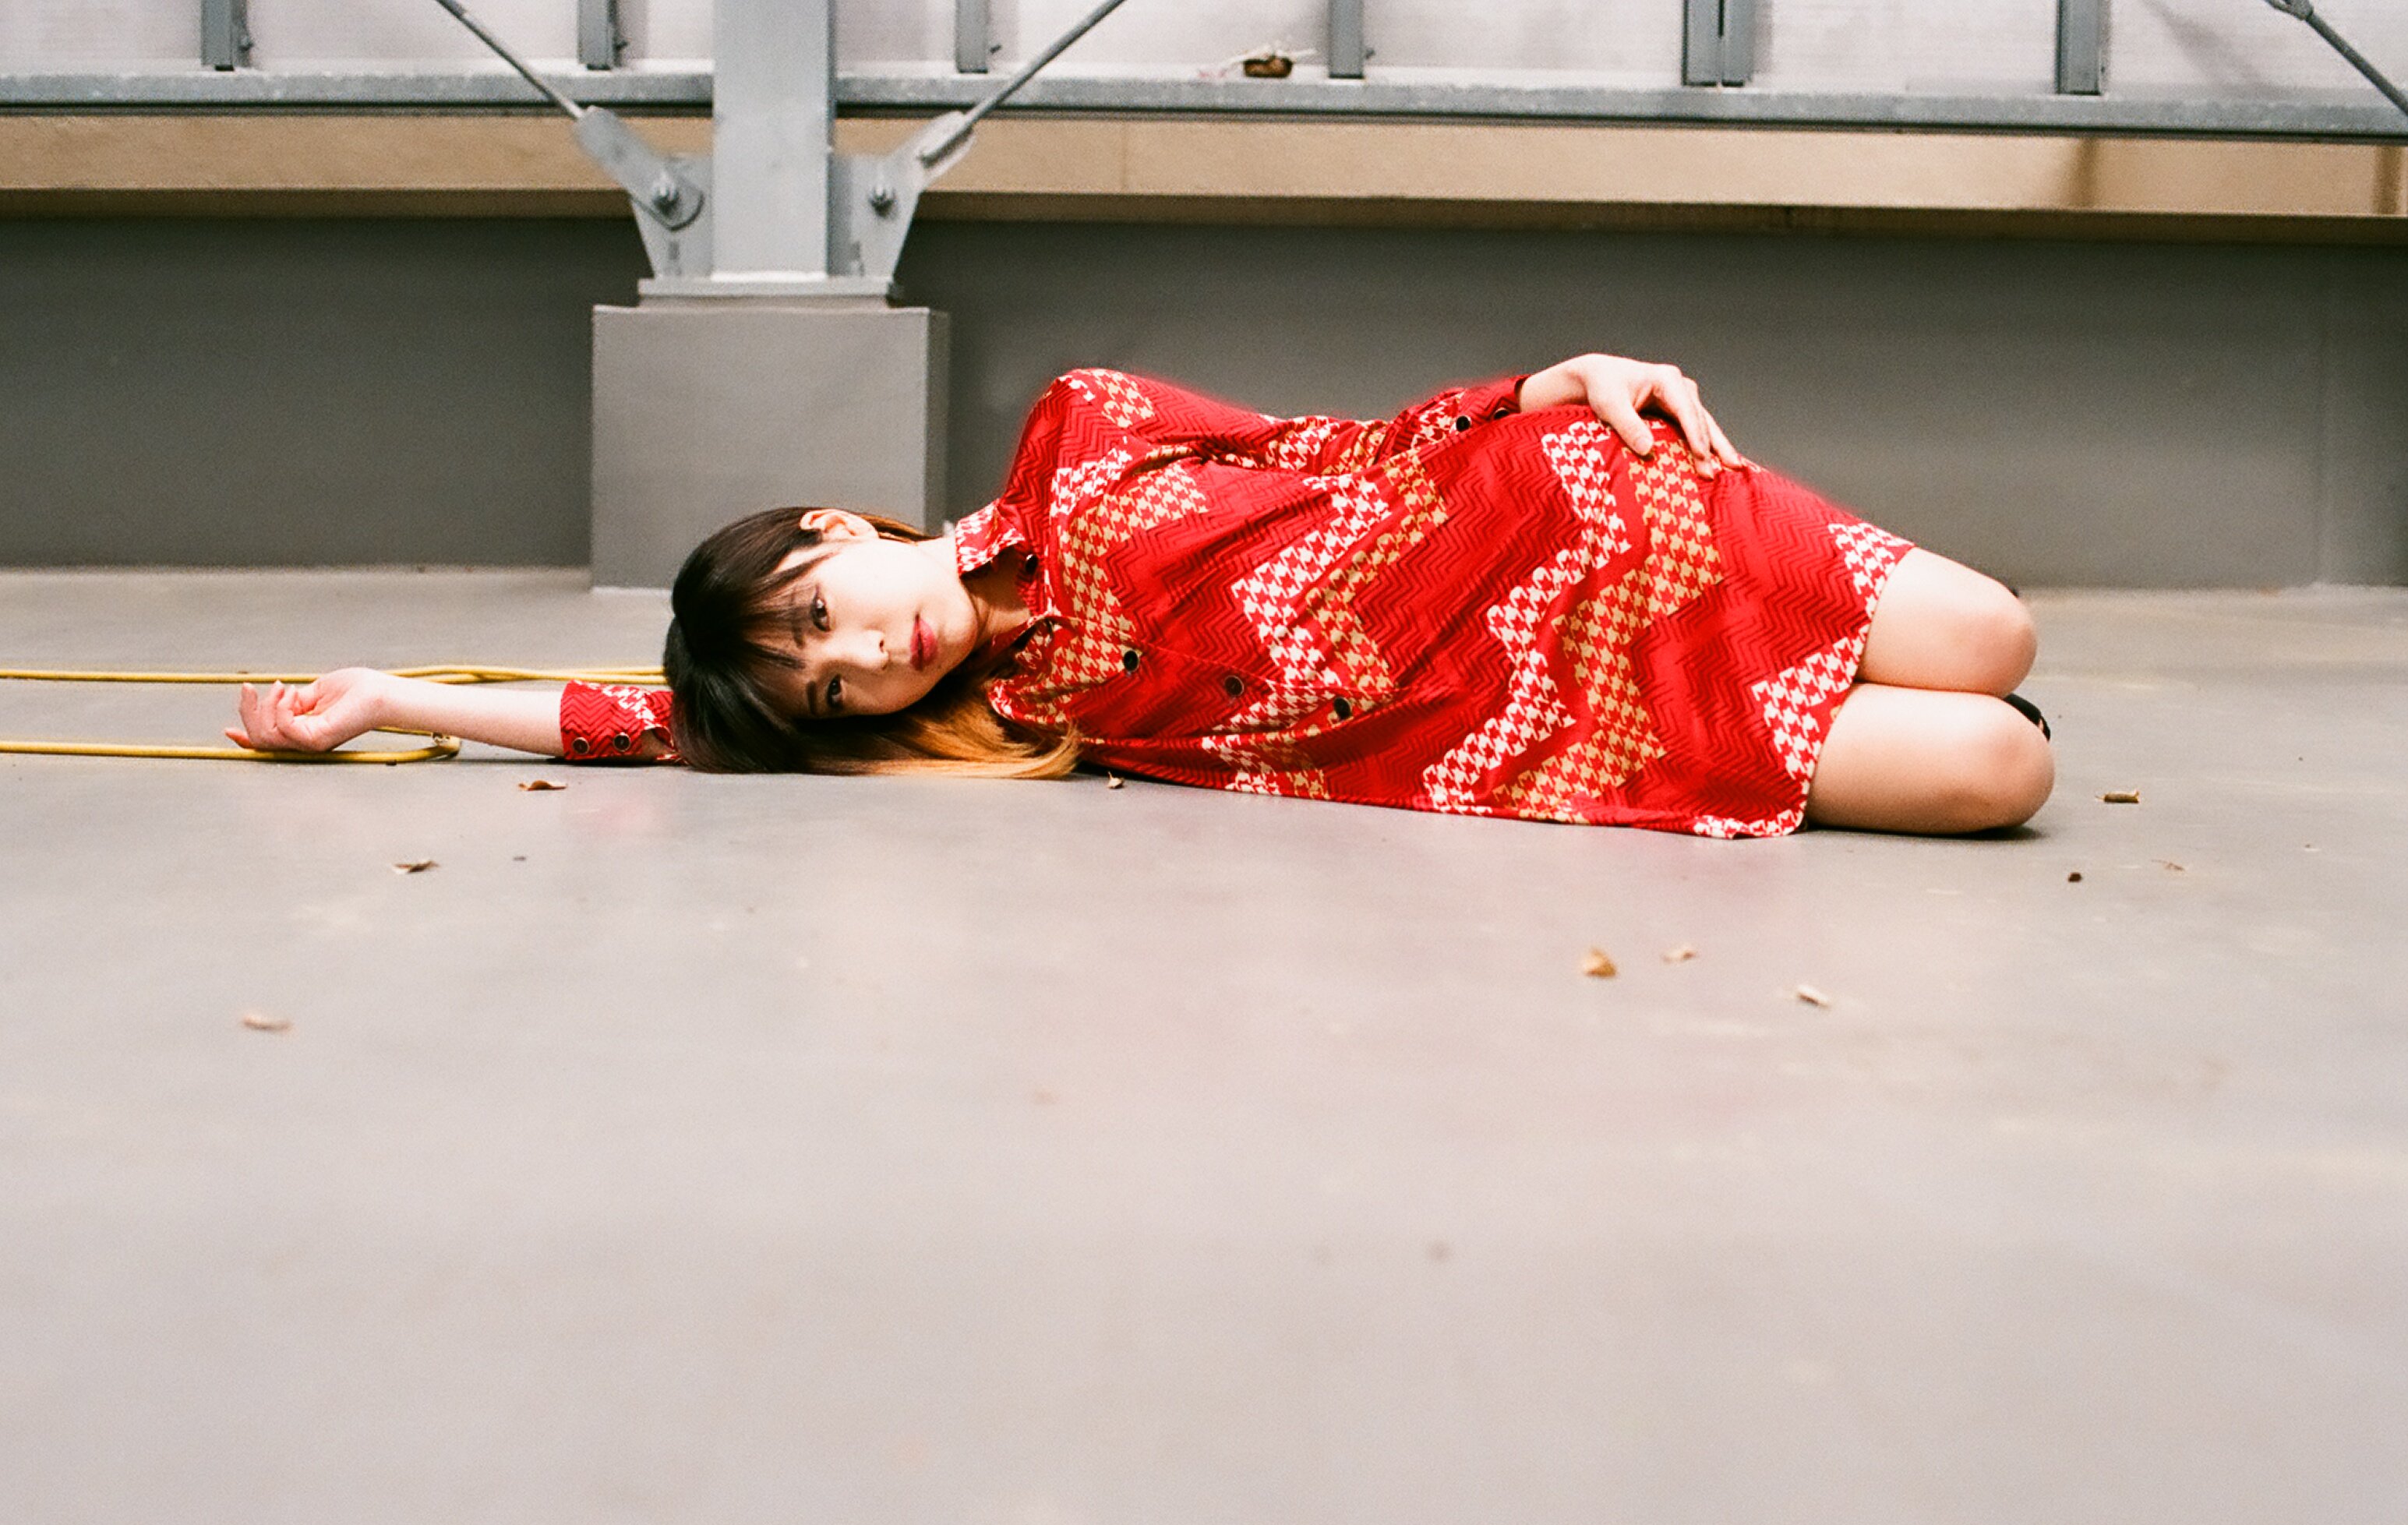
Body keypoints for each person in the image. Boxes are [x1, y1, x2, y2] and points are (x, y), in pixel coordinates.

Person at [228, 352, 2053, 836]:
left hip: (1562, 520)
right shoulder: (1022, 715)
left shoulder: (1082, 426)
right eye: (836, 688)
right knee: (1998, 773)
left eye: (826, 610)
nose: (869, 655)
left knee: (1994, 640)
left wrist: (1548, 382)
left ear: (833, 522)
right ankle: (1877, 703)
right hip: (1525, 729)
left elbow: (1331, 445)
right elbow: (650, 724)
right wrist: (389, 699)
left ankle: (1860, 650)